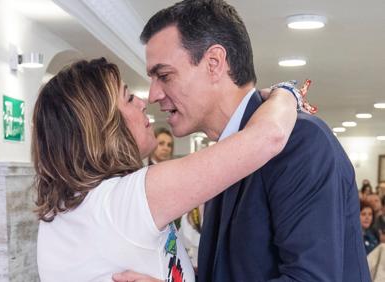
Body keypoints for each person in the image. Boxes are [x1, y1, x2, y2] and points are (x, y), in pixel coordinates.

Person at [113, 0, 370, 281]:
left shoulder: (301, 142)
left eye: (164, 76)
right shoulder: (224, 155)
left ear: (214, 63)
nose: (153, 95)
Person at [32, 58, 298, 281]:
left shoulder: (78, 207)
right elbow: (269, 136)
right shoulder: (123, 202)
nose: (142, 102)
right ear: (104, 125)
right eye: (128, 98)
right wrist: (285, 92)